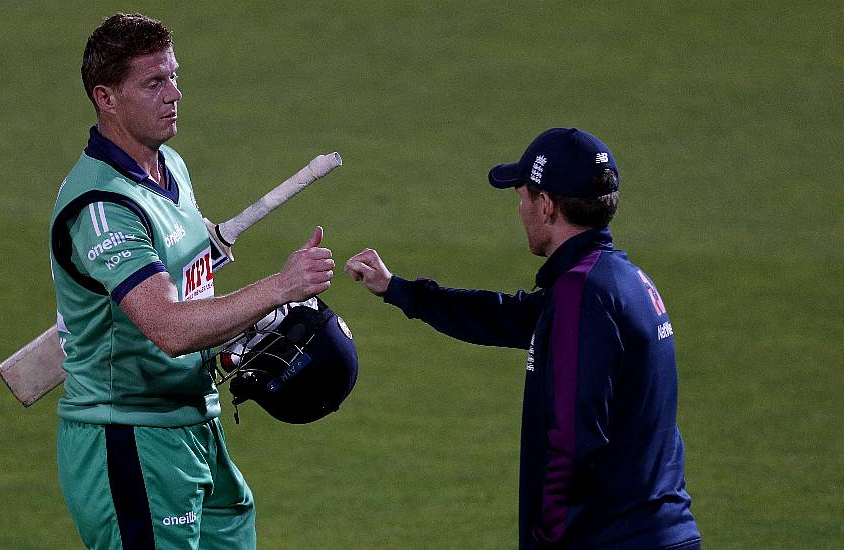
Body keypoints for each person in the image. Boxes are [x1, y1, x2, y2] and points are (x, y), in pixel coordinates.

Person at [49, 13, 334, 549]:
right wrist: (280, 288)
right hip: (130, 438)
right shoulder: (103, 207)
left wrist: (244, 330)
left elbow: (188, 296)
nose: (174, 94)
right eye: (153, 83)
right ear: (105, 98)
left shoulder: (170, 166)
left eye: (173, 76)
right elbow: (170, 328)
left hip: (194, 425)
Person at [346, 128, 701, 549]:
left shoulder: (583, 294)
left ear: (547, 205)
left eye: (522, 196)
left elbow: (574, 440)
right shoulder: (623, 281)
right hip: (660, 530)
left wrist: (545, 538)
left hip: (610, 538)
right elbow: (505, 316)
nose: (519, 210)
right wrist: (398, 289)